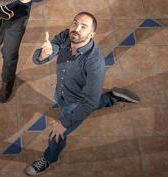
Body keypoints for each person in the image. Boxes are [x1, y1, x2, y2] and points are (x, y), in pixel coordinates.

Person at [25, 12, 140, 175]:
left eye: (83, 27)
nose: (76, 29)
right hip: (61, 93)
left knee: (56, 134)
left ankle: (48, 159)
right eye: (75, 23)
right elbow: (49, 51)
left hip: (77, 102)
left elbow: (89, 103)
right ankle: (112, 97)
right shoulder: (66, 35)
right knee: (73, 102)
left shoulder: (94, 62)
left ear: (92, 34)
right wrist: (44, 54)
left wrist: (64, 123)